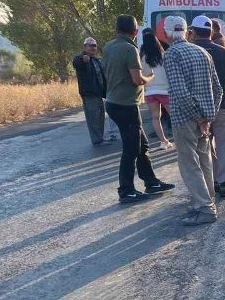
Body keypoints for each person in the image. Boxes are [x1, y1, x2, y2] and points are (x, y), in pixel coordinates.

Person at [102, 14, 175, 203]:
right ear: (135, 32)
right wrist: (149, 78)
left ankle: (151, 181)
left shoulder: (108, 47)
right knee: (131, 148)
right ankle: (126, 190)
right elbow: (136, 80)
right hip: (126, 105)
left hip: (113, 102)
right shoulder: (129, 49)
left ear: (116, 30)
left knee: (142, 145)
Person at [162, 15, 223, 226]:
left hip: (185, 118)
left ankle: (204, 208)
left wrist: (198, 118)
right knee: (204, 160)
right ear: (186, 30)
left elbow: (180, 93)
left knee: (190, 164)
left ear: (166, 32)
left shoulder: (171, 55)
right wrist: (208, 116)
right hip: (204, 118)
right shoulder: (203, 52)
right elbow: (218, 89)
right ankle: (207, 201)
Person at [188, 15, 225, 199]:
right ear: (212, 31)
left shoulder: (190, 52)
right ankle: (223, 183)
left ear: (193, 32)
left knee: (204, 146)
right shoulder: (224, 52)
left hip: (199, 109)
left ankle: (210, 182)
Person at [140, 28, 173, 150]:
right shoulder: (164, 55)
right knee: (174, 116)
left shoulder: (143, 58)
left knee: (155, 117)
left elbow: (142, 73)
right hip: (165, 90)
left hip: (150, 91)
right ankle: (180, 140)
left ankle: (164, 141)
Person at [72, 37, 108, 145]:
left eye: (94, 45)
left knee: (100, 116)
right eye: (90, 45)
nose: (93, 47)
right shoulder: (81, 58)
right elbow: (76, 63)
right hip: (89, 94)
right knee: (93, 118)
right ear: (85, 47)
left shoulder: (96, 60)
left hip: (98, 93)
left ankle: (100, 138)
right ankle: (97, 140)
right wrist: (83, 60)